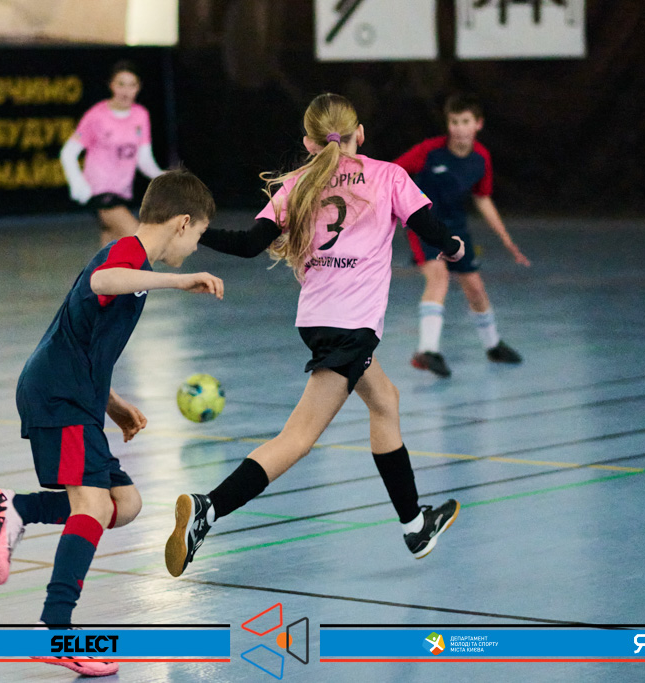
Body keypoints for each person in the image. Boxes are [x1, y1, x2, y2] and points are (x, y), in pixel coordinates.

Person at [164, 93, 463, 580]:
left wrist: (197, 234)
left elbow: (248, 244)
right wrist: (453, 245)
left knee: (385, 400)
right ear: (359, 133)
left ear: (309, 143)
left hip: (318, 320)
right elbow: (429, 226)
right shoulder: (388, 176)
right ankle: (208, 509)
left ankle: (415, 525)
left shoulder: (299, 183)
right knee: (298, 438)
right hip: (351, 327)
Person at [0, 170, 221, 677]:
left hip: (77, 394)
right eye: (198, 234)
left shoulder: (135, 266)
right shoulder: (127, 254)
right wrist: (178, 280)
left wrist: (111, 403)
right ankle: (56, 630)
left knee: (124, 504)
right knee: (91, 504)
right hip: (58, 394)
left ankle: (17, 508)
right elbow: (102, 282)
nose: (196, 247)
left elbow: (84, 335)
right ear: (182, 223)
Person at [394, 92, 530, 378]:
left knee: (476, 288)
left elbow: (482, 197)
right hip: (424, 225)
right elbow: (392, 173)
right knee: (439, 277)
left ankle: (493, 346)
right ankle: (427, 350)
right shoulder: (429, 151)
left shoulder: (481, 158)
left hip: (456, 228)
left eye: (465, 121)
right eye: (453, 122)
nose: (458, 128)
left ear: (478, 124)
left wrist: (506, 239)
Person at [61, 60, 166, 247]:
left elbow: (144, 159)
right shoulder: (96, 115)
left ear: (138, 88)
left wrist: (163, 176)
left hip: (122, 193)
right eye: (121, 84)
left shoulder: (141, 115)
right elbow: (68, 153)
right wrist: (80, 187)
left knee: (110, 252)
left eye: (132, 85)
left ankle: (101, 268)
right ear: (111, 85)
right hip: (99, 193)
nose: (126, 91)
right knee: (141, 242)